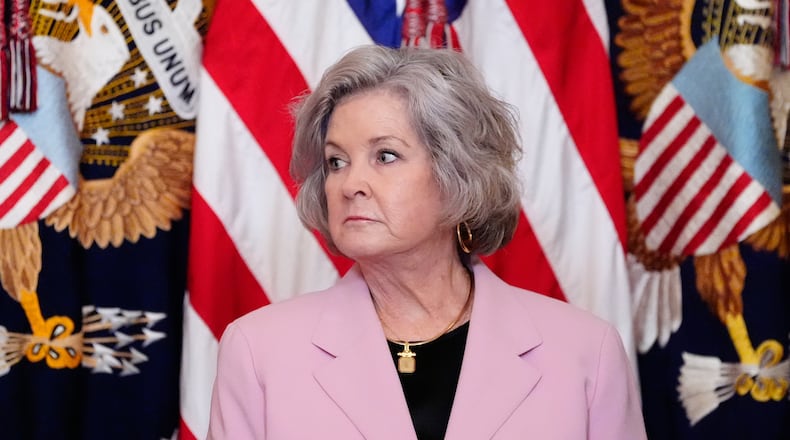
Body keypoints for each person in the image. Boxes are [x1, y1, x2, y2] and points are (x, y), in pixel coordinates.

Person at [207, 44, 647, 440]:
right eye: (336, 161)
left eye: (385, 156)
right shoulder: (258, 351)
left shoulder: (585, 351)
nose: (350, 184)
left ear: (458, 174)